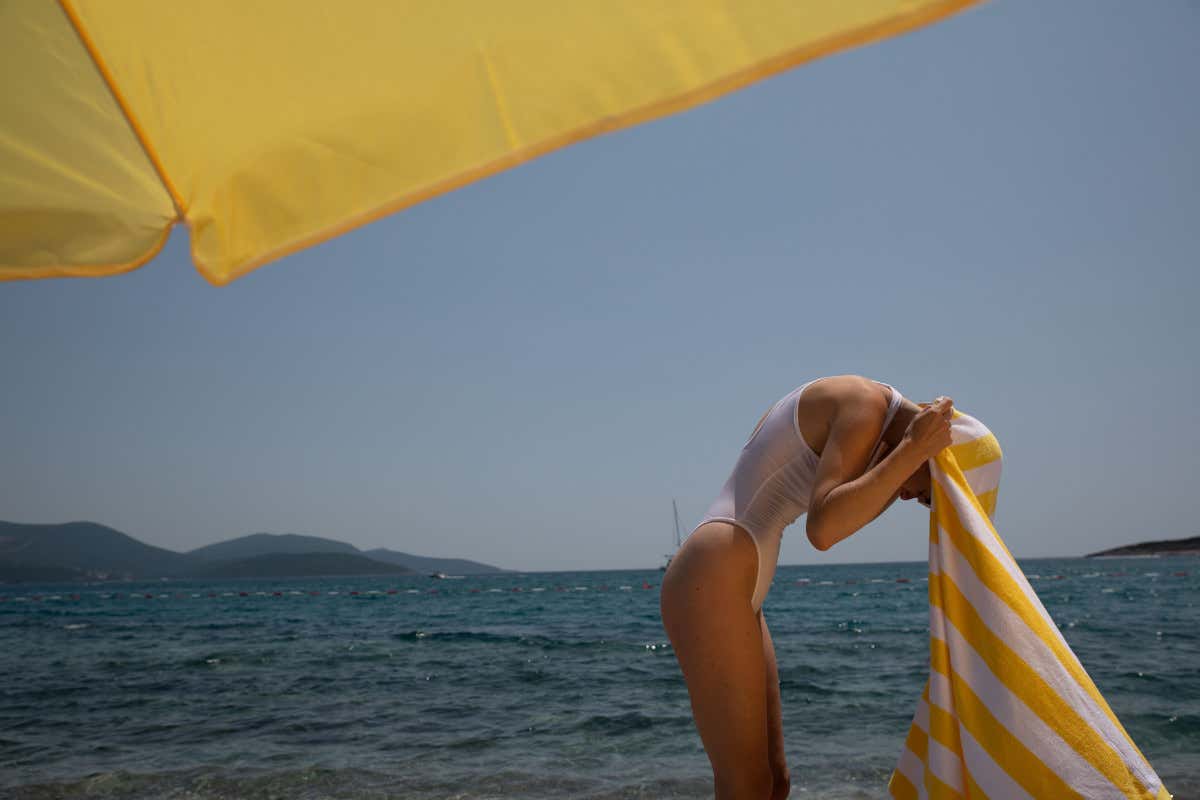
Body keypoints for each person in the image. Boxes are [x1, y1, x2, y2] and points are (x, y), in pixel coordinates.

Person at [659, 374, 955, 799]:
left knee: (774, 782)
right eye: (929, 498)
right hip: (715, 569)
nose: (911, 500)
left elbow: (850, 513)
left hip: (733, 573)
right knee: (747, 785)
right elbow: (823, 530)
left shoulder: (880, 426)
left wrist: (910, 454)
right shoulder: (866, 403)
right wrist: (913, 450)